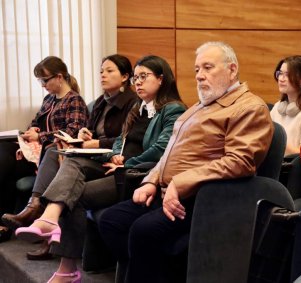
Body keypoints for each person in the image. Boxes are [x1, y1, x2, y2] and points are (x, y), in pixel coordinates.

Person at [97, 41, 274, 283]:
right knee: (111, 221)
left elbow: (240, 162)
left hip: (202, 199)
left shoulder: (249, 107)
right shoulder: (199, 107)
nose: (200, 76)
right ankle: (151, 273)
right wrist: (151, 180)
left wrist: (180, 183)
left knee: (143, 231)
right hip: (166, 191)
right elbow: (170, 152)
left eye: (208, 68)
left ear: (232, 70)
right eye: (197, 69)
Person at [15, 54, 186, 283]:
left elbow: (161, 149)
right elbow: (120, 141)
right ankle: (49, 219)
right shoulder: (139, 107)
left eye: (143, 76)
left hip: (139, 175)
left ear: (161, 79)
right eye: (136, 77)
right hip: (118, 167)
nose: (138, 82)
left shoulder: (172, 109)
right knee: (72, 160)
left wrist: (126, 162)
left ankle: (66, 267)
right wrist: (115, 155)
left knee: (71, 194)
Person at [2, 54, 137, 258]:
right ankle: (36, 210)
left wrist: (94, 142)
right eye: (101, 71)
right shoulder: (101, 102)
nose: (102, 75)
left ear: (126, 76)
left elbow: (125, 140)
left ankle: (37, 212)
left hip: (108, 158)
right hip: (88, 154)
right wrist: (86, 135)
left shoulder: (131, 104)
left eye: (109, 71)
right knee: (43, 153)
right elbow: (85, 130)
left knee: (57, 157)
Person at [0, 56, 89, 242]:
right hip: (36, 152)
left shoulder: (74, 100)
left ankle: (27, 212)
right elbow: (36, 122)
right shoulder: (49, 99)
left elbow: (72, 132)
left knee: (6, 162)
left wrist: (40, 137)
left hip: (50, 154)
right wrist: (32, 129)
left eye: (44, 80)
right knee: (4, 153)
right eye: (40, 80)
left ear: (59, 77)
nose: (42, 85)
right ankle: (5, 222)